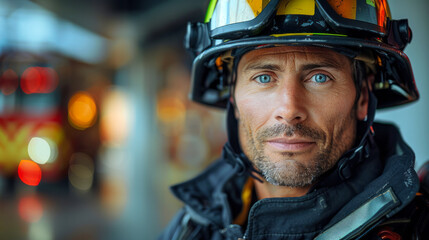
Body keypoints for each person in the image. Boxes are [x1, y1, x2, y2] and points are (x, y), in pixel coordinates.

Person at [160, 0, 429, 239]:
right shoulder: (193, 226)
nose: (289, 110)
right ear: (234, 99)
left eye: (319, 77)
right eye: (264, 77)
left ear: (362, 99)